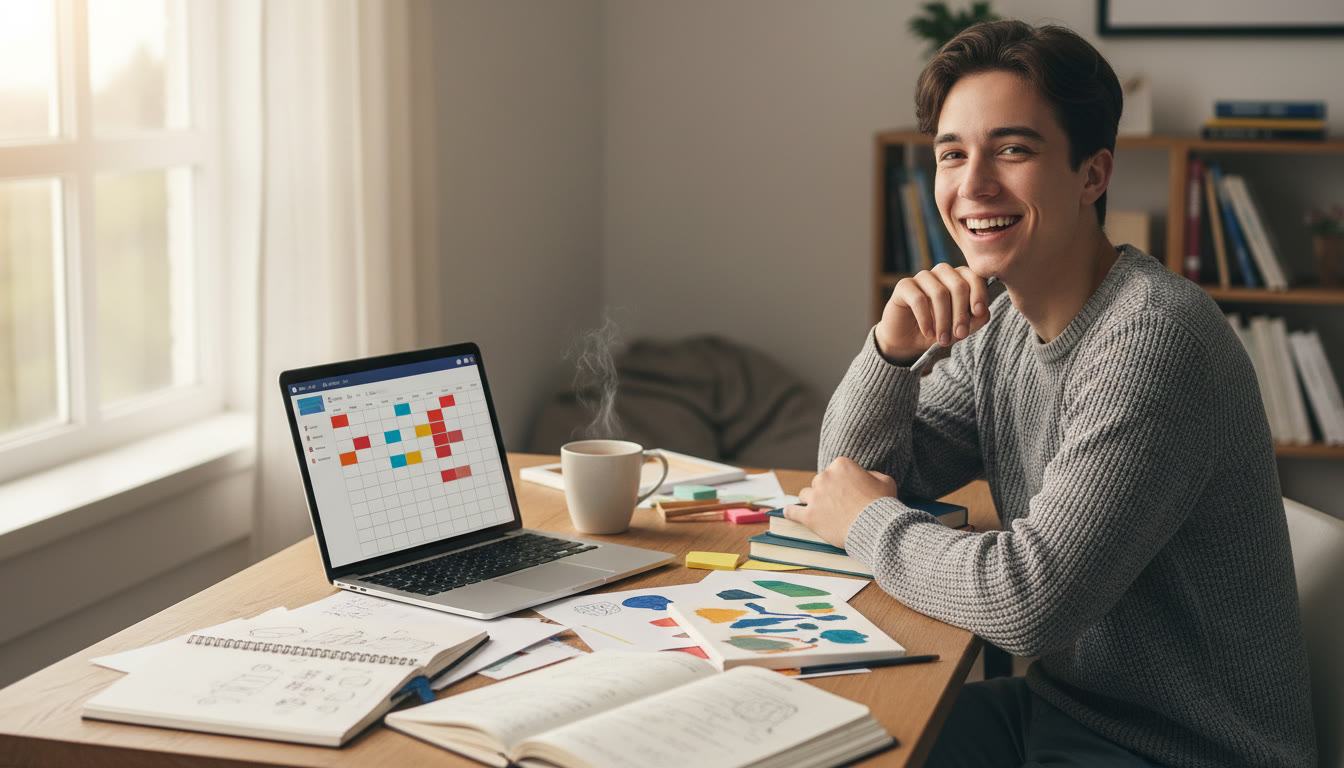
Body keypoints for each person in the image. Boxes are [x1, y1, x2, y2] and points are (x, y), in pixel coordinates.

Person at [786, 20, 1316, 768]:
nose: (973, 185)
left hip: (1180, 750)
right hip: (1062, 711)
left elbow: (1026, 603)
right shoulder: (1003, 321)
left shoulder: (1152, 339)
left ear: (1092, 175)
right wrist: (890, 351)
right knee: (825, 744)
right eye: (952, 154)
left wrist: (868, 524)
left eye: (1013, 149)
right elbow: (857, 475)